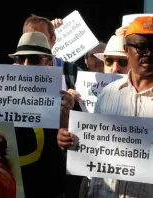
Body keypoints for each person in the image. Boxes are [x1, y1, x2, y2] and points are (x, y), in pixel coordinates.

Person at [57, 16, 153, 197]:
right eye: (141, 47)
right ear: (127, 50)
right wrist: (68, 139)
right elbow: (93, 149)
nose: (148, 53)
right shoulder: (108, 94)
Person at [8, 31, 76, 198]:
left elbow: (73, 152)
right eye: (19, 59)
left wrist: (66, 118)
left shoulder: (65, 100)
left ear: (50, 63)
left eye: (33, 59)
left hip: (46, 189)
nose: (25, 65)